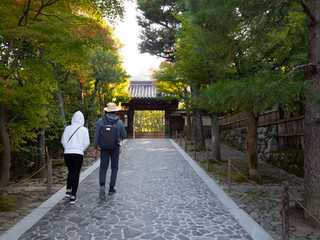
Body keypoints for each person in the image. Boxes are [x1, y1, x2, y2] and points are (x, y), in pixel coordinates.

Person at [94, 102, 127, 199]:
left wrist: (96, 148)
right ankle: (111, 188)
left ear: (107, 111)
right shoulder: (119, 122)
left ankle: (102, 185)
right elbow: (124, 135)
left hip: (104, 147)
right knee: (114, 167)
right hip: (115, 147)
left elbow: (96, 135)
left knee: (103, 167)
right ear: (115, 112)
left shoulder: (101, 121)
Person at [61, 111, 90, 204]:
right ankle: (73, 196)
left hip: (68, 153)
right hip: (78, 153)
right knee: (76, 173)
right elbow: (87, 143)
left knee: (70, 171)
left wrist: (68, 148)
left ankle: (68, 190)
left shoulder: (67, 128)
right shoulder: (84, 130)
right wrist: (81, 149)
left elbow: (63, 141)